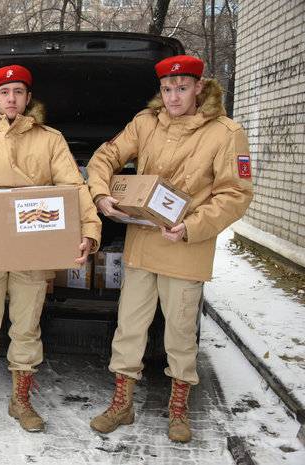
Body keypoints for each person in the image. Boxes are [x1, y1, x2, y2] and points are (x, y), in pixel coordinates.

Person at [86, 55, 254, 442]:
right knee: (129, 327)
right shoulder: (146, 123)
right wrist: (100, 194)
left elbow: (236, 194)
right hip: (143, 242)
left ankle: (178, 410)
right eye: (166, 89)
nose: (173, 97)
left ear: (199, 87)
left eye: (182, 88)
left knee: (179, 333)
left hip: (187, 246)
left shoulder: (226, 132)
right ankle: (121, 404)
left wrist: (192, 226)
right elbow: (105, 157)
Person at [0, 65, 102, 432]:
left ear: (28, 98)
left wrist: (89, 229)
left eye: (19, 92)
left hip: (33, 245)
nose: (12, 99)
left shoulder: (50, 139)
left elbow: (74, 187)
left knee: (26, 326)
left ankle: (20, 400)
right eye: (5, 92)